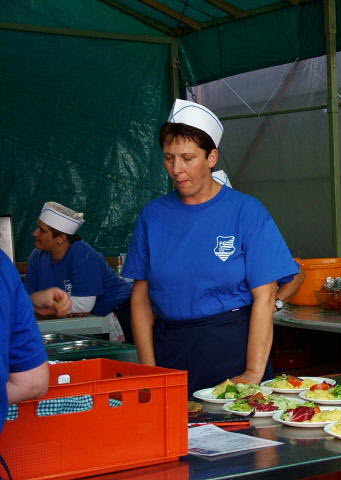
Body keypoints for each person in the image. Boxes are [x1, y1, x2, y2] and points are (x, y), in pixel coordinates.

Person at [122, 99, 299, 395]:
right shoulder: (153, 215)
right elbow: (140, 297)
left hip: (232, 346)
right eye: (169, 158)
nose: (176, 169)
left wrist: (252, 372)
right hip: (171, 348)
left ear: (211, 157)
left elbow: (265, 296)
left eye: (187, 158)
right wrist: (150, 370)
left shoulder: (246, 211)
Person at [24, 202, 133, 342]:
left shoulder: (84, 256)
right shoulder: (37, 256)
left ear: (60, 238)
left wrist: (44, 306)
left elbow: (84, 305)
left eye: (42, 230)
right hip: (75, 321)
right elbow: (27, 296)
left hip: (116, 314)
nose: (35, 233)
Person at [1, 250, 55, 432]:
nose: (36, 236)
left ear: (60, 238)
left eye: (42, 233)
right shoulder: (4, 267)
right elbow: (32, 383)